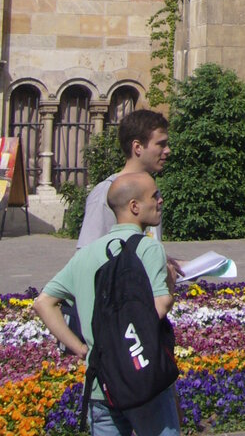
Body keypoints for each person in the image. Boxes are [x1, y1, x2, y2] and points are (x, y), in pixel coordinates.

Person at [33, 171, 180, 436]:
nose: (160, 200)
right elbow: (157, 309)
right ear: (134, 206)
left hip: (101, 383)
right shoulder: (148, 249)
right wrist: (170, 286)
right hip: (142, 379)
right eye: (154, 196)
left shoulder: (87, 254)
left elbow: (43, 303)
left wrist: (80, 347)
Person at [78, 110, 171, 248]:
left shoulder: (152, 191)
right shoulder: (106, 192)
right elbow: (87, 255)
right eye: (161, 144)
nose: (167, 150)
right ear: (137, 147)